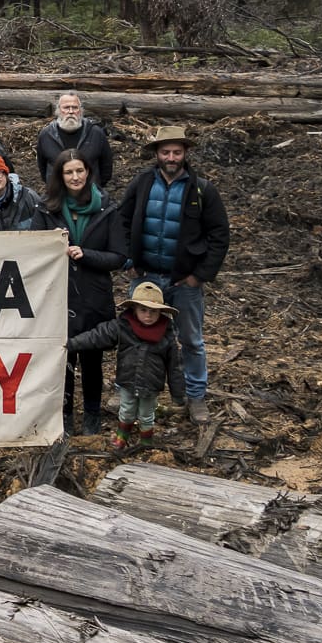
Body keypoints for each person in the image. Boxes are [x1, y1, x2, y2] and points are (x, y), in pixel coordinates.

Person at [117, 126, 230, 422]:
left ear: (185, 153)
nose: (171, 157)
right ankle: (131, 393)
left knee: (191, 340)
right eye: (165, 152)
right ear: (156, 153)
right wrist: (128, 259)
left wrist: (200, 275)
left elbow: (219, 235)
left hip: (184, 280)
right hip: (145, 279)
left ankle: (195, 398)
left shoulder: (202, 189)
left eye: (176, 152)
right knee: (135, 337)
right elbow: (121, 221)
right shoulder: (141, 183)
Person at [31, 149, 125, 434]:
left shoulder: (107, 208)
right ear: (60, 176)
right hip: (58, 296)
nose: (75, 177)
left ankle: (93, 414)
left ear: (88, 172)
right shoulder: (46, 209)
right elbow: (33, 250)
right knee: (63, 357)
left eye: (79, 171)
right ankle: (65, 414)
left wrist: (87, 255)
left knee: (93, 357)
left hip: (94, 295)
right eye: (68, 172)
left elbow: (119, 256)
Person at [68, 281, 180, 452]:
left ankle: (146, 441)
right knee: (126, 410)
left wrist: (178, 393)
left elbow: (175, 367)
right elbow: (98, 335)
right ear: (134, 309)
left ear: (161, 312)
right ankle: (122, 437)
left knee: (146, 414)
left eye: (153, 311)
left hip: (151, 384)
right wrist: (73, 343)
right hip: (127, 380)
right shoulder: (123, 326)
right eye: (143, 310)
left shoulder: (167, 334)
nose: (148, 315)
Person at [35, 91, 114, 188]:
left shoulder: (96, 133)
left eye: (75, 107)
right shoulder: (46, 134)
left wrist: (95, 188)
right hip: (57, 196)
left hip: (89, 195)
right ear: (58, 111)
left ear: (80, 111)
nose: (71, 111)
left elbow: (106, 167)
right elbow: (42, 167)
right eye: (66, 107)